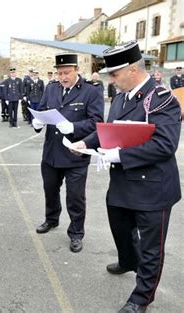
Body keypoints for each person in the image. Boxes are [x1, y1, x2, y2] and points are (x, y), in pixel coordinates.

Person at [71, 40, 181, 313]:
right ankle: (128, 260)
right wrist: (85, 142)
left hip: (152, 188)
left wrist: (120, 155)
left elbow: (165, 145)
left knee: (152, 248)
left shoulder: (161, 99)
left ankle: (141, 298)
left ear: (133, 70)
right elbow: (108, 130)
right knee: (121, 230)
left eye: (115, 74)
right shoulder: (121, 97)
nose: (112, 79)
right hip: (122, 184)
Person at [32, 53, 104, 253]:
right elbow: (43, 111)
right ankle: (51, 219)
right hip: (52, 153)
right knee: (50, 190)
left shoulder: (90, 91)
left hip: (76, 154)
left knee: (75, 197)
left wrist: (72, 127)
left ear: (76, 70)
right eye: (59, 73)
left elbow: (96, 122)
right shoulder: (51, 88)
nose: (62, 77)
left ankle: (76, 233)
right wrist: (37, 123)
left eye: (67, 73)